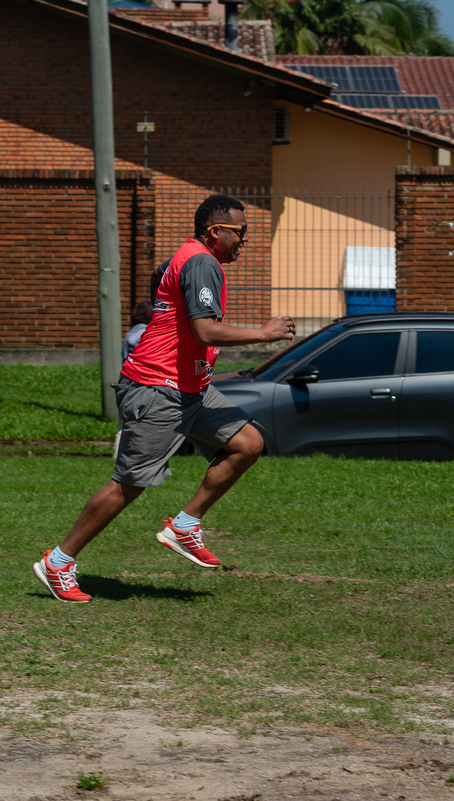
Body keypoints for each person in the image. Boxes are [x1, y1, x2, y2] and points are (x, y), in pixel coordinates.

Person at [33, 194, 296, 602]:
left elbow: (163, 283)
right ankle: (59, 562)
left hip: (190, 388)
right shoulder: (201, 262)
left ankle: (184, 526)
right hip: (159, 389)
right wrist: (265, 334)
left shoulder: (189, 258)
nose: (244, 241)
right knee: (129, 485)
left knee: (247, 443)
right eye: (240, 233)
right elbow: (206, 330)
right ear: (215, 232)